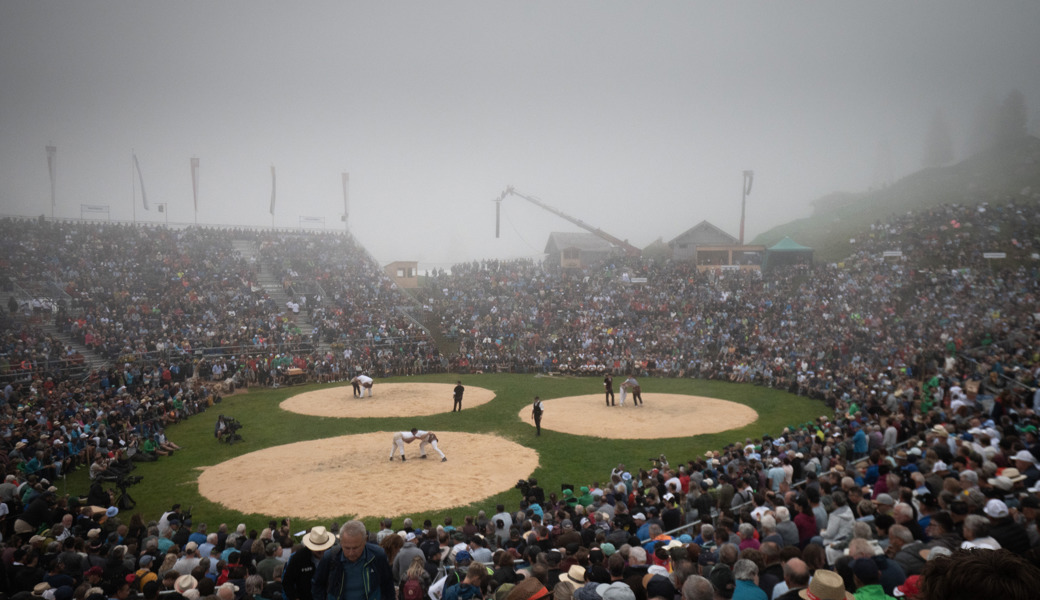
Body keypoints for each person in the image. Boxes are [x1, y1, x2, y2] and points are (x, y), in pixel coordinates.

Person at [312, 521, 394, 600]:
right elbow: (317, 585)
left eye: (355, 548)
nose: (351, 553)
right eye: (347, 548)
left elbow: (388, 584)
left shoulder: (377, 555)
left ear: (365, 540)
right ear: (340, 542)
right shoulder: (330, 557)